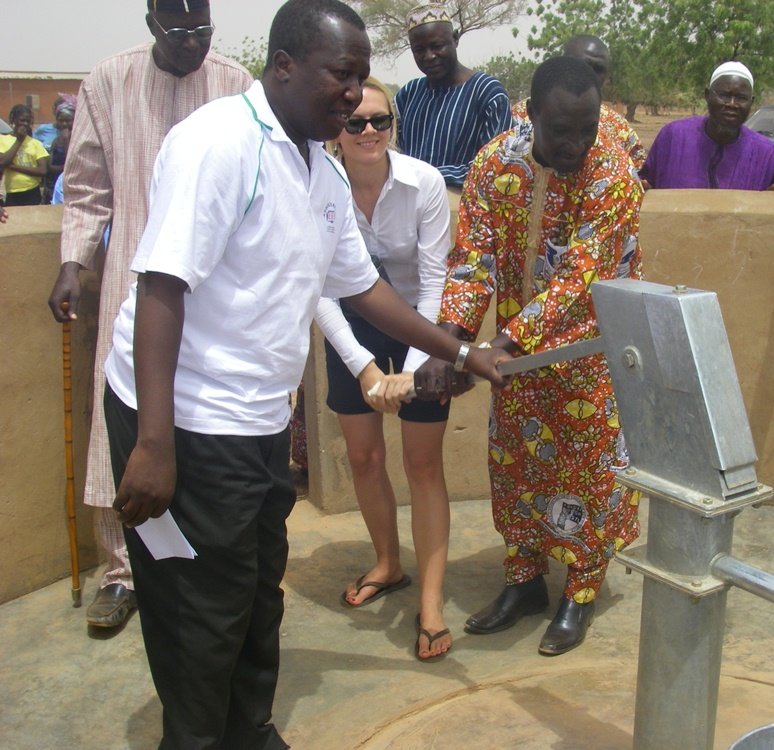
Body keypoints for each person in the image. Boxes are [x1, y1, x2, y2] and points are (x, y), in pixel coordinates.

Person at [101, 1, 507, 744]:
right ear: (284, 67)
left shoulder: (318, 168)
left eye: (362, 79)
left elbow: (365, 289)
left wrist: (459, 351)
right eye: (341, 77)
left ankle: (249, 730)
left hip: (256, 417)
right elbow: (162, 286)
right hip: (186, 416)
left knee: (259, 588)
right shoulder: (219, 144)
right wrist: (153, 445)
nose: (353, 96)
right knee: (202, 607)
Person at [415, 56, 643, 657]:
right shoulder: (494, 166)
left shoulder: (612, 174)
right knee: (515, 463)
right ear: (532, 115)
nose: (576, 143)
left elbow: (579, 281)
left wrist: (493, 349)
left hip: (589, 354)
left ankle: (581, 591)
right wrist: (450, 343)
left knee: (590, 471)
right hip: (514, 362)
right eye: (561, 130)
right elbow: (473, 261)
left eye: (587, 128)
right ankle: (524, 582)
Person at [46, 0, 252, 632]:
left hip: (217, 286)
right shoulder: (109, 80)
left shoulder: (236, 84)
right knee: (124, 423)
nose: (193, 43)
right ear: (152, 25)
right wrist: (73, 262)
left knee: (207, 419)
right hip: (133, 282)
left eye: (203, 29)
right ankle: (121, 572)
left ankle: (206, 559)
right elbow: (86, 186)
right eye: (179, 31)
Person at [318, 77, 455, 661]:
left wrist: (416, 369)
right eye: (356, 122)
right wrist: (365, 369)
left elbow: (435, 280)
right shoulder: (317, 184)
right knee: (364, 457)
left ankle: (431, 601)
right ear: (337, 130)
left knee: (422, 463)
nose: (369, 131)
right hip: (350, 325)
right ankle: (387, 563)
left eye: (381, 121)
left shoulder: (424, 183)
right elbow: (318, 286)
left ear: (393, 126)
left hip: (419, 322)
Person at [394, 3, 512, 187]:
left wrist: (427, 176)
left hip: (462, 202)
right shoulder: (408, 95)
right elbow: (392, 155)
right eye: (419, 50)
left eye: (437, 46)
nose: (429, 56)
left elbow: (493, 167)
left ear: (455, 39)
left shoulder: (488, 94)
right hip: (408, 199)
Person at [640, 61, 774, 191]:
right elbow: (644, 184)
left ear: (751, 102)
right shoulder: (673, 137)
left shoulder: (766, 154)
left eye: (741, 98)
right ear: (707, 95)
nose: (732, 104)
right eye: (724, 95)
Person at [511, 34, 646, 172]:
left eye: (598, 69)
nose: (587, 73)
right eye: (560, 129)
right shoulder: (518, 116)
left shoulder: (619, 128)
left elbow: (639, 173)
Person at [0, 105, 50, 206]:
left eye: (28, 121)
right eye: (22, 120)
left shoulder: (35, 143)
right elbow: (2, 162)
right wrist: (19, 140)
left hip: (32, 191)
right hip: (12, 192)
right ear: (13, 120)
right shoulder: (3, 140)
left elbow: (42, 170)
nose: (25, 124)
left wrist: (13, 167)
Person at [45, 96, 76, 201]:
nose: (64, 124)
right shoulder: (56, 141)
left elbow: (72, 163)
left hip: (72, 185)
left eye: (68, 120)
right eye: (61, 120)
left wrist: (67, 140)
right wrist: (63, 168)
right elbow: (50, 166)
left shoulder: (80, 140)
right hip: (55, 184)